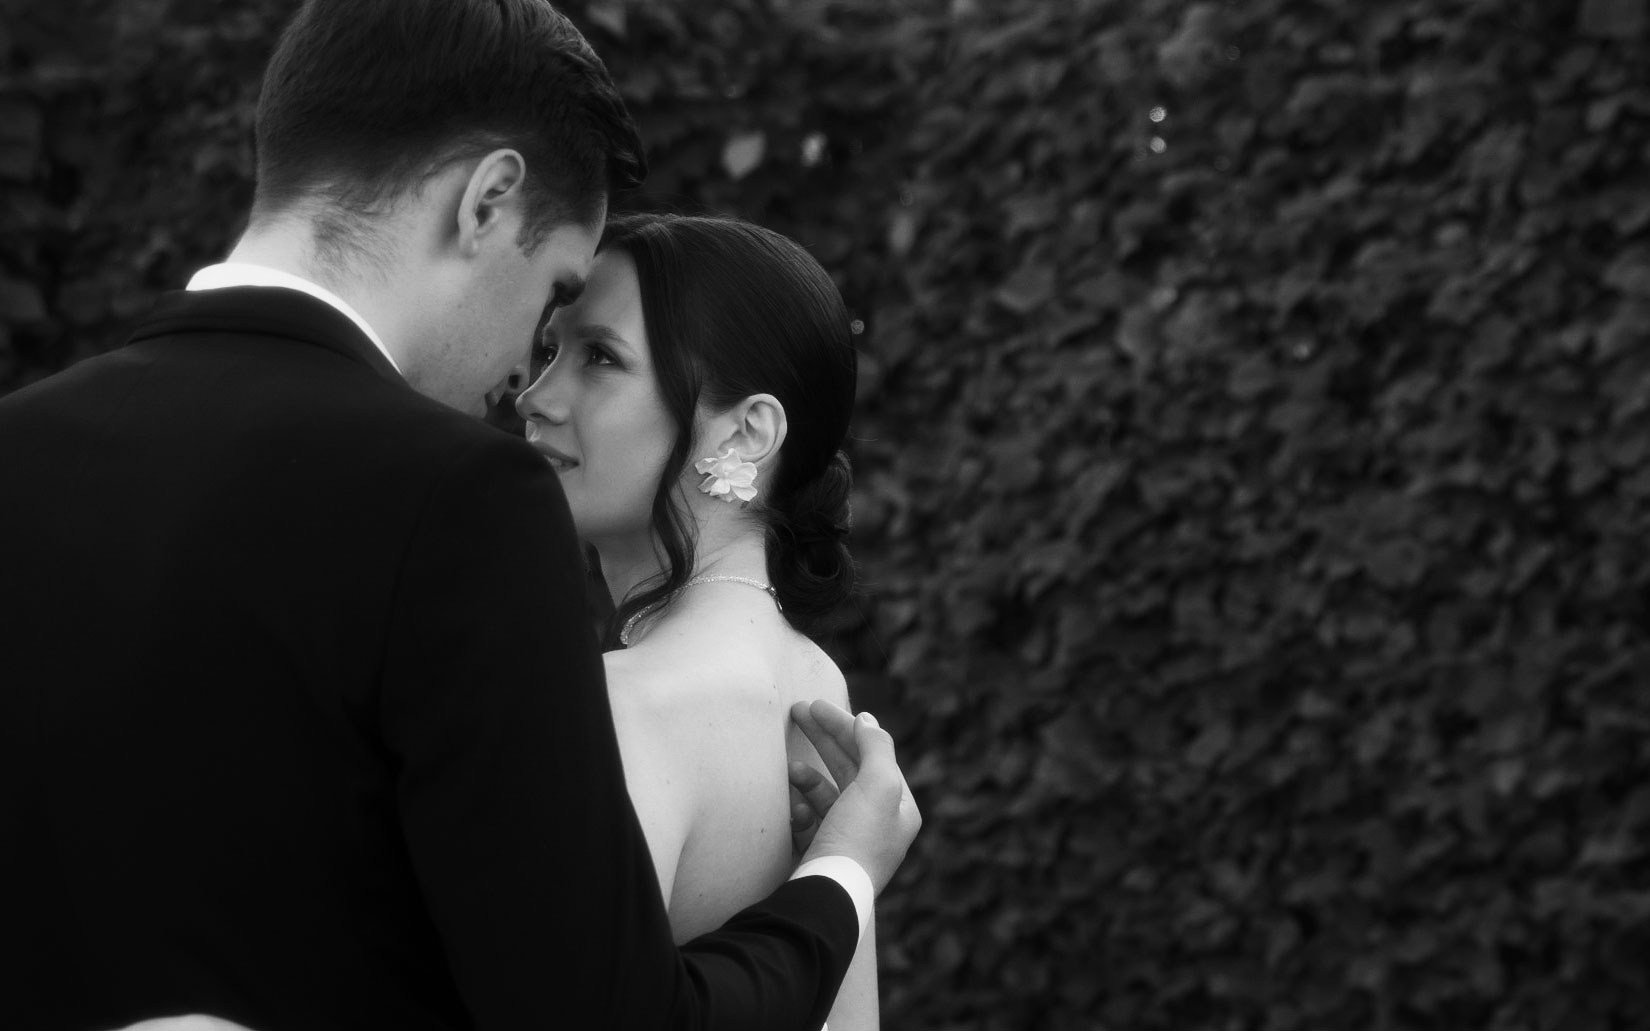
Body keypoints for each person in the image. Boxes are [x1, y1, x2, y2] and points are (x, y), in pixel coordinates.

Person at [0, 2, 920, 1030]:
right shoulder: (461, 497)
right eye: (552, 298)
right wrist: (842, 875)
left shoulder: (19, 448)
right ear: (487, 201)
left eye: (594, 351)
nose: (528, 376)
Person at [515, 213, 878, 1029]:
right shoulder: (816, 684)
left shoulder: (619, 704)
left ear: (748, 432)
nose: (535, 398)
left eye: (600, 358)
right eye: (547, 351)